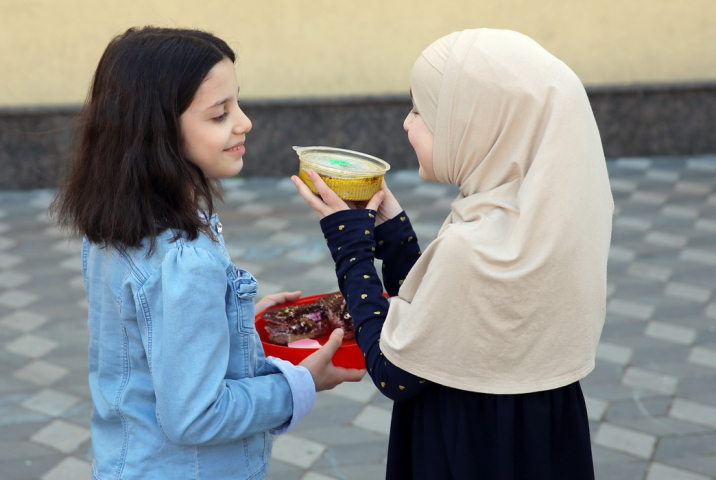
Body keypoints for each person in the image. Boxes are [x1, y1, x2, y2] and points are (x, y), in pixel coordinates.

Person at [293, 28, 613, 479]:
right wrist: (396, 236)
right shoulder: (544, 221)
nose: (407, 122)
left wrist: (352, 251)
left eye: (421, 110)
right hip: (543, 438)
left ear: (479, 125)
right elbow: (458, 314)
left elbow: (394, 372)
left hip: (468, 446)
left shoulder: (471, 245)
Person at [50, 26, 364, 480]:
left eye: (237, 103)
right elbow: (196, 416)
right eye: (220, 115)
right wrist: (301, 383)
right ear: (156, 132)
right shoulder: (185, 259)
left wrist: (229, 322)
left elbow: (151, 341)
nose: (244, 122)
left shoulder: (116, 227)